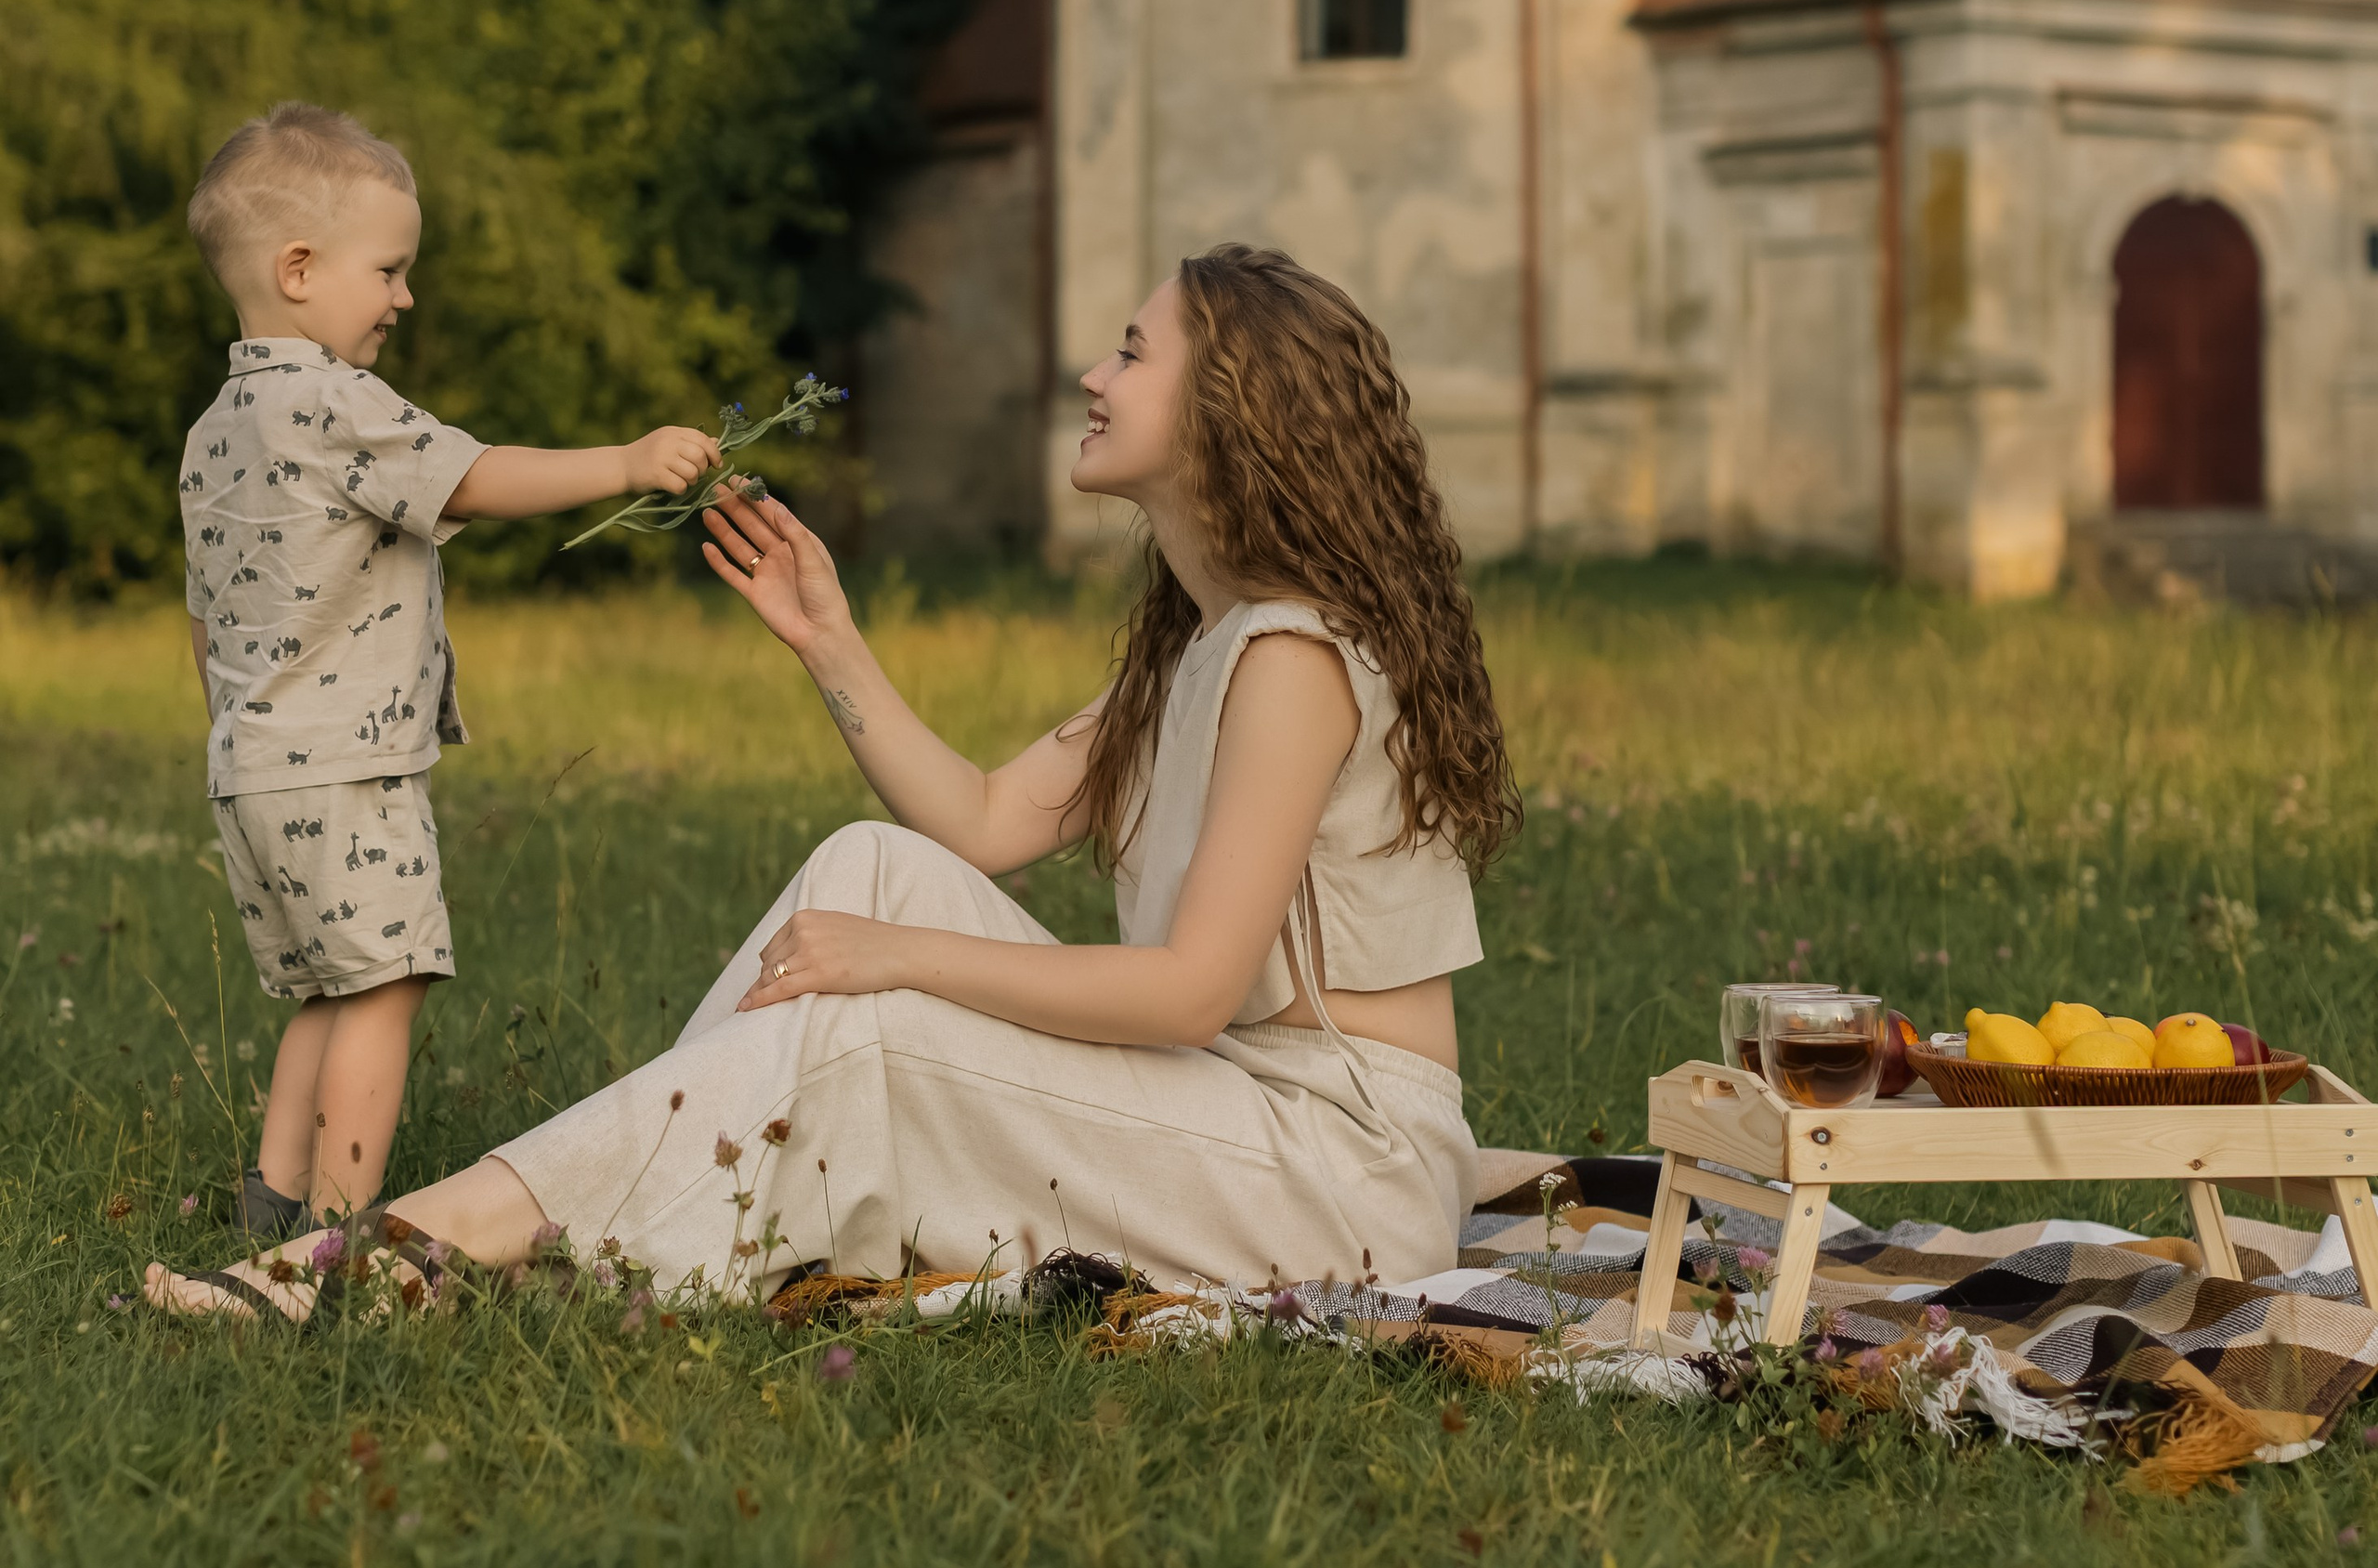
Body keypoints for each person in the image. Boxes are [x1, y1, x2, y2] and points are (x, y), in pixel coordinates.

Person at [148, 242, 1519, 1324]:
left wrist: (893, 964)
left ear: (1229, 409)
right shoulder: (1204, 644)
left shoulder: (1292, 658)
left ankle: (398, 1257)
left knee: (874, 1012)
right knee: (872, 862)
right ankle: (607, 1224)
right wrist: (828, 638)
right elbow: (981, 825)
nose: (1095, 375)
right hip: (1233, 1113)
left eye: (1132, 350)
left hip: (1333, 1171)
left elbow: (1191, 992)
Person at [173, 100, 721, 1252]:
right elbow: (467, 477)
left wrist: (234, 730)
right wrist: (624, 460)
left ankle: (272, 1199)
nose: (404, 297)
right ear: (300, 268)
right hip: (346, 766)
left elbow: (203, 612)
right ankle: (335, 1232)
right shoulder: (332, 399)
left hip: (251, 765)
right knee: (385, 982)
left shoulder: (217, 427)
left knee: (328, 982)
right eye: (391, 269)